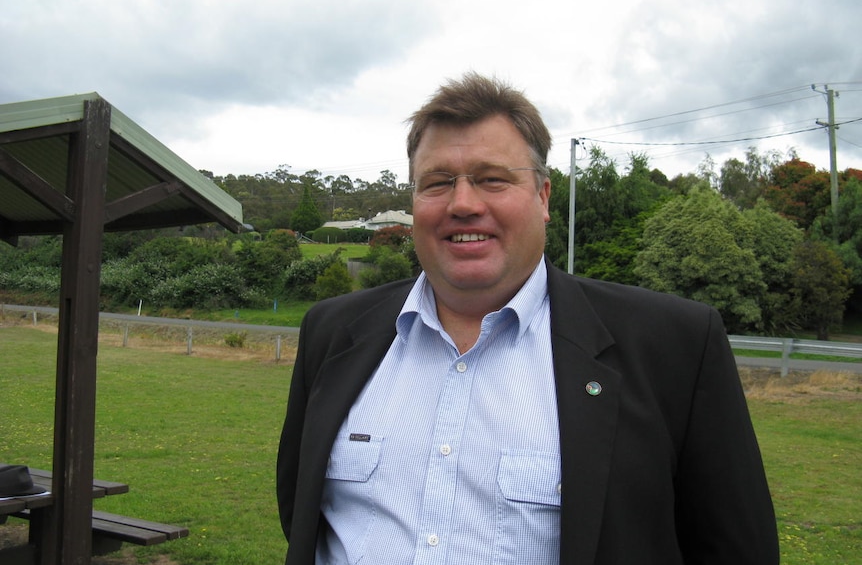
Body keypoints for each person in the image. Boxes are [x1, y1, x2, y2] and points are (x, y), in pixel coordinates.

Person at [276, 72, 779, 565]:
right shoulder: (332, 332)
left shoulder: (675, 347)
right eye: (437, 182)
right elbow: (303, 513)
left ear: (543, 197)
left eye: (492, 179)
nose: (463, 203)